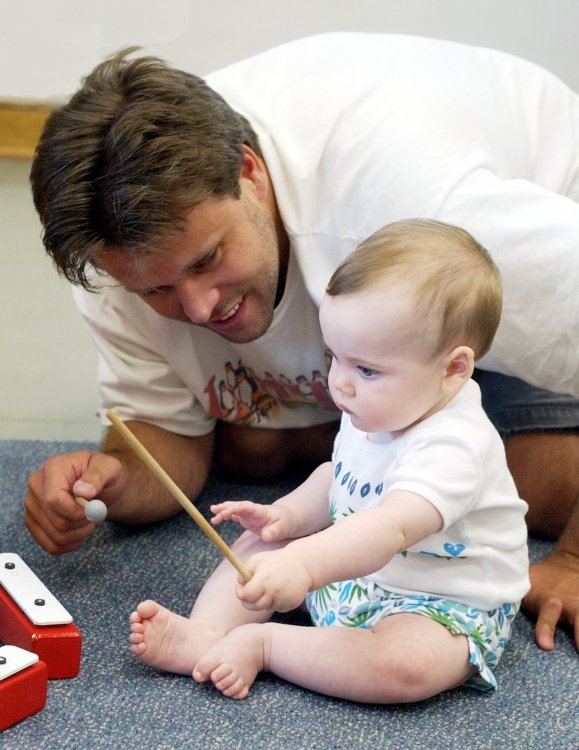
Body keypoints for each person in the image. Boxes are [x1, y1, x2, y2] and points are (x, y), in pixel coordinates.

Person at [25, 34, 578, 652]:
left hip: (517, 252)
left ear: (249, 172)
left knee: (531, 483)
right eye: (158, 291)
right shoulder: (114, 268)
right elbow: (167, 439)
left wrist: (574, 559)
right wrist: (118, 483)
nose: (199, 307)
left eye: (209, 259)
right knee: (254, 449)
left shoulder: (427, 207)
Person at [129, 219, 530, 702]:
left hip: (440, 603)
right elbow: (336, 476)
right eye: (334, 356)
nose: (339, 382)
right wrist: (290, 517)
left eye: (365, 368)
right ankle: (206, 635)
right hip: (357, 573)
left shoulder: (455, 445)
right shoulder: (381, 403)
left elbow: (390, 528)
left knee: (409, 667)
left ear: (453, 370)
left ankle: (267, 644)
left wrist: (303, 563)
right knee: (262, 544)